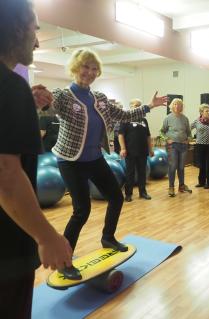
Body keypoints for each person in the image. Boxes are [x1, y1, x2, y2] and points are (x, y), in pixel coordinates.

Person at [47, 48, 166, 280]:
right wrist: (36, 98)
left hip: (94, 158)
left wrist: (149, 106)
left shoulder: (99, 98)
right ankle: (64, 260)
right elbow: (47, 105)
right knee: (82, 210)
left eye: (94, 69)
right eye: (85, 67)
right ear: (75, 68)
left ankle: (108, 237)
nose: (89, 72)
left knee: (117, 197)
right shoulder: (62, 96)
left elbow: (123, 115)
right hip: (70, 160)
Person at [0, 1, 72, 317]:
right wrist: (47, 237)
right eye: (35, 29)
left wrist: (24, 103)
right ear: (17, 28)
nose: (38, 40)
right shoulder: (9, 86)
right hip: (6, 253)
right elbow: (5, 173)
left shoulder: (13, 90)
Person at [119, 98, 154, 202]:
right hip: (130, 151)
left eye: (139, 105)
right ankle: (128, 194)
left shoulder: (144, 120)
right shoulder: (126, 119)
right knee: (130, 173)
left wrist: (150, 149)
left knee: (142, 173)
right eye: (135, 105)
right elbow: (120, 135)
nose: (138, 107)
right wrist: (123, 148)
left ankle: (143, 192)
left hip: (143, 151)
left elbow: (148, 136)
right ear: (131, 107)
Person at [161, 98, 192, 197]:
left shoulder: (185, 119)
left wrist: (188, 139)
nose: (177, 106)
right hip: (172, 145)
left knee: (181, 167)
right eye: (175, 104)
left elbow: (189, 133)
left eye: (179, 104)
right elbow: (161, 132)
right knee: (173, 166)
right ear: (171, 106)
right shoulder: (167, 118)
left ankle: (182, 186)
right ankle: (171, 187)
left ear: (182, 107)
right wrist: (167, 139)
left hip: (183, 146)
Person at [191, 104, 209, 189]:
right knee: (202, 164)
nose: (208, 112)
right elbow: (189, 127)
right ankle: (201, 182)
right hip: (200, 145)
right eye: (206, 111)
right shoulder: (197, 121)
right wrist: (188, 137)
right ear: (201, 112)